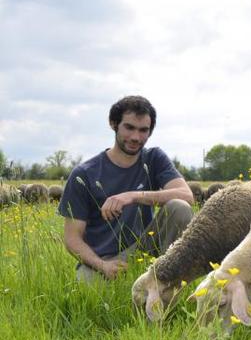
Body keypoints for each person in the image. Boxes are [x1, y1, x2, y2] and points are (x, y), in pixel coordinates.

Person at [58, 95, 194, 282]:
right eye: (129, 127)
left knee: (179, 207)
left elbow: (187, 196)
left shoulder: (154, 159)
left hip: (146, 251)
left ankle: (166, 280)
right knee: (86, 285)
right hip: (104, 259)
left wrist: (133, 196)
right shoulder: (84, 174)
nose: (136, 137)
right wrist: (103, 266)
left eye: (143, 130)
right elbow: (72, 239)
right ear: (114, 124)